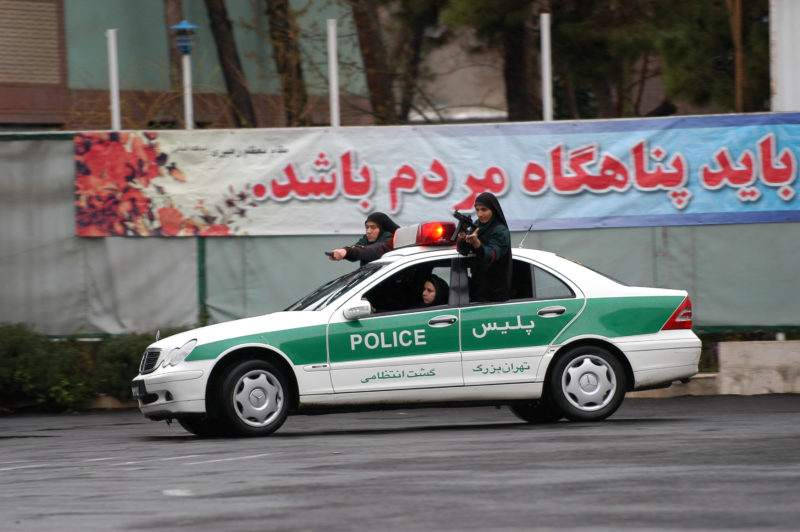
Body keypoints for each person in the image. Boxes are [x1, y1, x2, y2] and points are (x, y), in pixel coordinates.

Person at [456, 192, 511, 301]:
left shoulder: (500, 231)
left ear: (493, 210)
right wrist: (463, 239)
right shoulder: (477, 225)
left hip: (495, 296)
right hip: (478, 289)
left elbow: (493, 255)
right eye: (477, 210)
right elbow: (464, 251)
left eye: (484, 209)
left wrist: (477, 243)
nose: (480, 214)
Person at [328, 212, 399, 266]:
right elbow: (358, 247)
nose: (368, 231)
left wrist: (347, 252)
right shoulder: (366, 239)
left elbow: (374, 250)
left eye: (373, 227)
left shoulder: (391, 240)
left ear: (382, 228)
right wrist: (344, 252)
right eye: (367, 227)